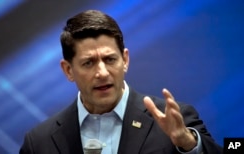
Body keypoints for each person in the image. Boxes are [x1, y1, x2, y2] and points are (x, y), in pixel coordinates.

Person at [19, 10, 222, 154]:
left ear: (125, 60)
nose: (102, 72)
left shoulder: (175, 120)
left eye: (110, 60)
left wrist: (187, 144)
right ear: (68, 70)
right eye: (88, 63)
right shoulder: (39, 142)